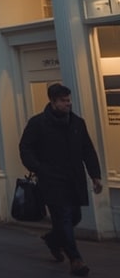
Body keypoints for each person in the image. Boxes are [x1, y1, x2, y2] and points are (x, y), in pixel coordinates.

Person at [20, 83, 103, 277]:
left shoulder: (77, 123)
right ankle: (76, 260)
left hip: (74, 179)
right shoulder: (38, 123)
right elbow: (25, 148)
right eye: (64, 101)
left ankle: (53, 239)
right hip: (52, 180)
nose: (68, 103)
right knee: (63, 217)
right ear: (53, 102)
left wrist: (95, 175)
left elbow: (87, 150)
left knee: (74, 217)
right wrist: (38, 168)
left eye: (68, 100)